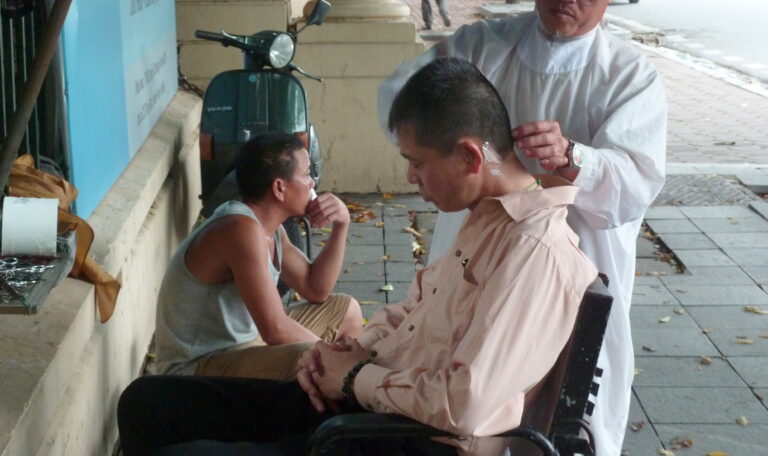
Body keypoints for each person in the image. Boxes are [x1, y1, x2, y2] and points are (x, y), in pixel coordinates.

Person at [118, 57, 598, 456]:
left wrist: (355, 378)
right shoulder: (488, 218)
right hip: (377, 407)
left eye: (418, 163)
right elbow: (416, 310)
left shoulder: (533, 250)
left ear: (471, 158)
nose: (412, 178)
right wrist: (349, 351)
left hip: (406, 440)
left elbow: (464, 406)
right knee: (147, 402)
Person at [378, 0, 667, 456]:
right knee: (464, 375)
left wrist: (572, 157)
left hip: (568, 254)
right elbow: (401, 102)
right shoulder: (483, 46)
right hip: (479, 246)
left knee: (563, 409)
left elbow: (637, 182)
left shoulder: (629, 77)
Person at [153, 132, 363, 379]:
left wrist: (342, 225)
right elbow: (275, 329)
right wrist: (338, 356)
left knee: (347, 310)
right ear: (279, 188)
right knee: (312, 358)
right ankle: (343, 390)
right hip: (197, 369)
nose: (312, 184)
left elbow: (316, 289)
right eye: (306, 175)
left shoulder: (272, 230)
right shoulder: (239, 229)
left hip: (247, 347)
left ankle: (343, 382)